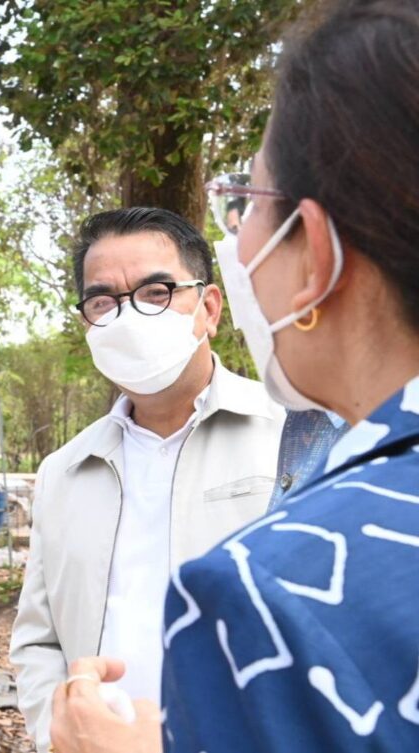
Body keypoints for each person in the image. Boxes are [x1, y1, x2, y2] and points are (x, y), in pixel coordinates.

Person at [48, 2, 419, 750]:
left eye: (245, 203)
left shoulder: (266, 585)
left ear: (315, 257)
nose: (239, 242)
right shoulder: (65, 470)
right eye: (103, 301)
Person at [10, 207, 286, 752]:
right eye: (102, 301)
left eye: (156, 292)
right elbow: (39, 638)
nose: (128, 316)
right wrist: (56, 733)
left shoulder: (291, 438)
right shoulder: (64, 470)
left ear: (208, 308)